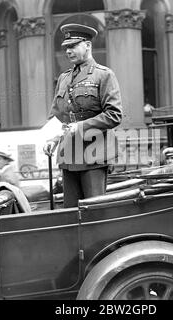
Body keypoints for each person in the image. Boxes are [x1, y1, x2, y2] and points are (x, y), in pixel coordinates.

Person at [43, 23, 123, 208]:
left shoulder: (104, 75)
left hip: (93, 154)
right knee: (70, 212)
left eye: (73, 46)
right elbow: (57, 115)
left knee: (94, 212)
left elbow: (114, 115)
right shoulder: (64, 78)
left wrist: (80, 126)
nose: (68, 51)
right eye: (66, 48)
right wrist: (52, 139)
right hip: (69, 155)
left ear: (87, 45)